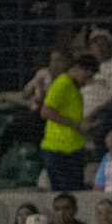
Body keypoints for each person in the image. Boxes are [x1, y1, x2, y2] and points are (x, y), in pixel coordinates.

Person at [39, 53, 98, 191]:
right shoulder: (63, 84)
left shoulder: (73, 88)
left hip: (72, 149)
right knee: (65, 194)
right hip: (59, 150)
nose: (86, 82)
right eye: (87, 77)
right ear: (78, 68)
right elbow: (46, 111)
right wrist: (76, 124)